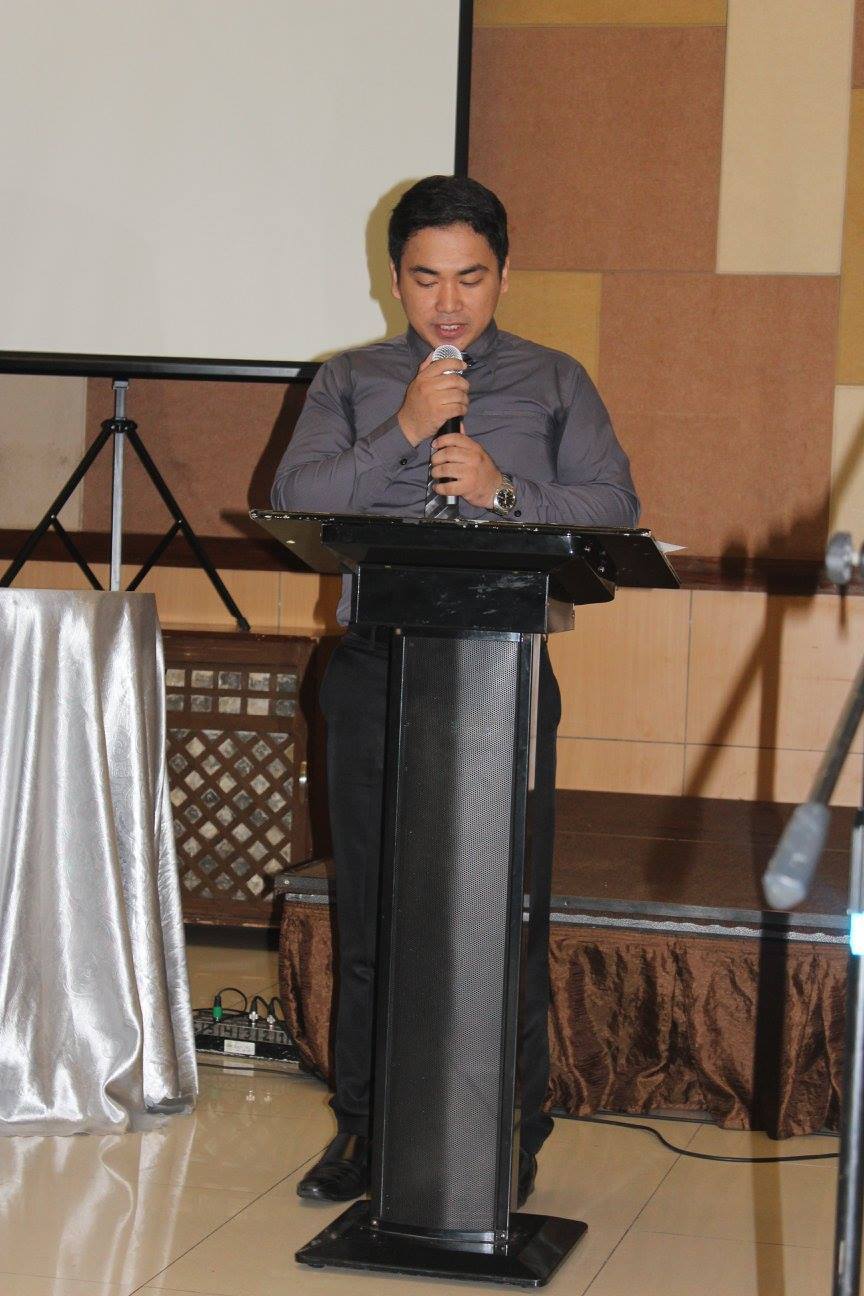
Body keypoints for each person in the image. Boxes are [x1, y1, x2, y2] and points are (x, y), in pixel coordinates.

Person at [271, 175, 639, 1206]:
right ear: (394, 280)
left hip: (501, 666)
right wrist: (401, 427)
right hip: (376, 666)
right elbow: (295, 496)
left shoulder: (554, 379)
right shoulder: (350, 381)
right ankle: (364, 1126)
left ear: (504, 277)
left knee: (502, 908)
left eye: (470, 278)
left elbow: (615, 505)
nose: (448, 303)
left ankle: (507, 1129)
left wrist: (501, 490)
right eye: (426, 278)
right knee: (372, 908)